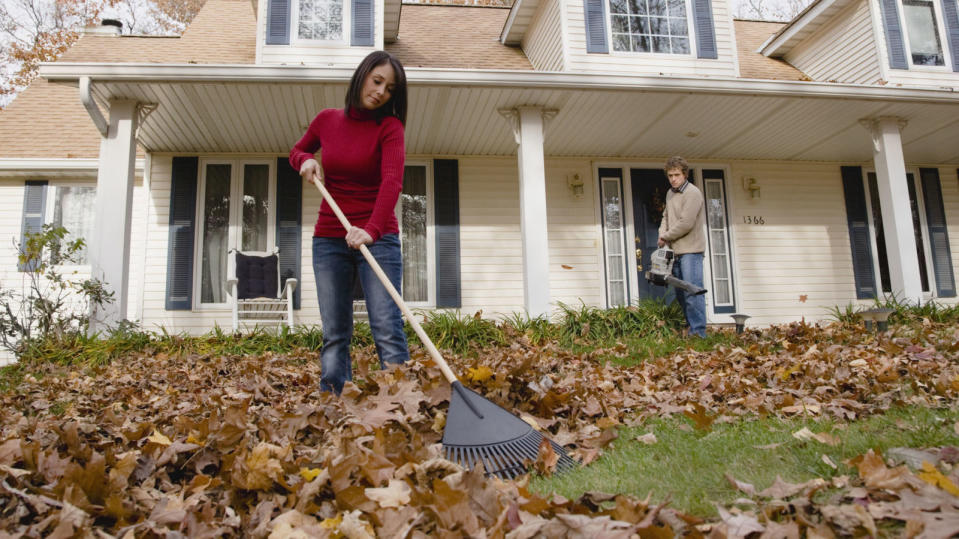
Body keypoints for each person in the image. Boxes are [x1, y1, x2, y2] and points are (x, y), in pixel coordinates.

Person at [290, 51, 410, 394]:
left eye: (390, 88)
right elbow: (296, 151)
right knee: (335, 331)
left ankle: (401, 402)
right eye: (377, 81)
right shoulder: (327, 120)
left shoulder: (390, 127)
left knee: (387, 326)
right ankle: (333, 400)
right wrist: (306, 160)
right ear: (362, 76)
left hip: (379, 238)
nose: (381, 92)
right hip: (330, 237)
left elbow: (392, 182)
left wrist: (370, 230)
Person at [658, 156, 707, 338]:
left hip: (691, 252)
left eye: (677, 175)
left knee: (693, 292)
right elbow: (666, 217)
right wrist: (661, 233)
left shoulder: (693, 193)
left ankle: (699, 332)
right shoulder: (670, 193)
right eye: (670, 175)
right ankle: (690, 328)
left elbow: (686, 223)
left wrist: (667, 236)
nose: (673, 179)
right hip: (675, 252)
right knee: (680, 294)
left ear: (685, 174)